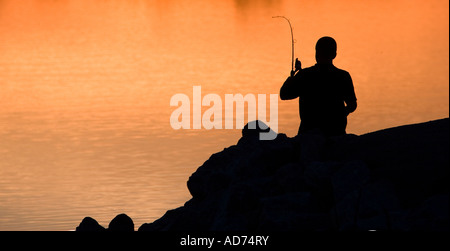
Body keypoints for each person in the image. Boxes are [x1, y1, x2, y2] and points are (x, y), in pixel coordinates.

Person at [280, 36, 357, 136]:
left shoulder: (305, 75)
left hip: (308, 133)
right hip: (336, 132)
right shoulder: (343, 76)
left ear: (316, 54)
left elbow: (284, 94)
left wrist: (292, 76)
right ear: (334, 54)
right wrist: (340, 115)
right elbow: (352, 105)